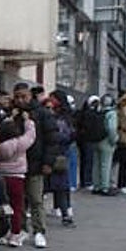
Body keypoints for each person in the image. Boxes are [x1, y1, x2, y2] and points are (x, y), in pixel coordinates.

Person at [11, 82, 60, 248]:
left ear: (30, 96)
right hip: (15, 163)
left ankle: (39, 231)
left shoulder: (42, 113)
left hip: (35, 163)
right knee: (18, 199)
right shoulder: (13, 113)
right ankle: (21, 229)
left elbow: (52, 139)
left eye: (23, 96)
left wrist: (48, 162)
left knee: (36, 199)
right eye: (17, 97)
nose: (20, 100)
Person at [0, 109, 36, 247]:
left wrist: (7, 120)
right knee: (17, 207)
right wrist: (28, 121)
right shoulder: (19, 143)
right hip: (17, 178)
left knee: (2, 207)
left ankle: (1, 234)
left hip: (1, 177)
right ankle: (15, 235)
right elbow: (30, 136)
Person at [47, 92, 76, 226]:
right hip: (58, 153)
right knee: (60, 184)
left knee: (60, 184)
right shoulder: (63, 116)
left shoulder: (61, 119)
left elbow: (66, 135)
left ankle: (65, 211)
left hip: (58, 153)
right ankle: (64, 211)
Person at [76, 94, 105, 191]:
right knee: (89, 161)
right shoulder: (91, 114)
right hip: (89, 140)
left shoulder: (84, 113)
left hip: (85, 140)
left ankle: (84, 181)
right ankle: (87, 181)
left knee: (85, 161)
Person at [92, 93, 119, 196]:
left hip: (96, 139)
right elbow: (111, 128)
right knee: (106, 164)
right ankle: (105, 187)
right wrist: (114, 140)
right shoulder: (112, 113)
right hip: (106, 141)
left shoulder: (99, 112)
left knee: (96, 164)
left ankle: (96, 186)